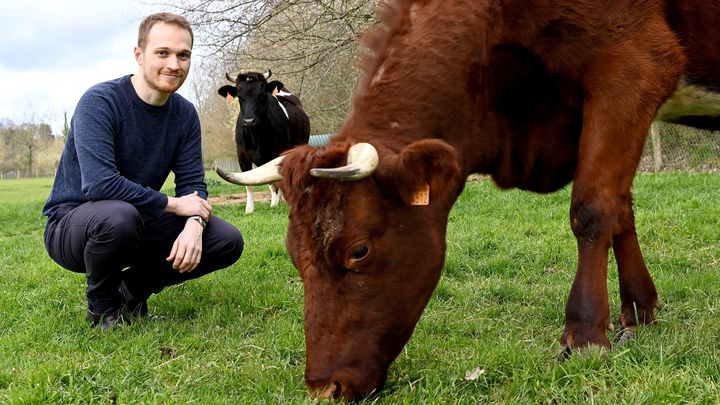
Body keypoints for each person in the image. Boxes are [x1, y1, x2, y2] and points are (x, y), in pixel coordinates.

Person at [42, 12, 244, 329]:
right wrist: (177, 205)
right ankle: (103, 310)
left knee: (225, 239)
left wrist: (194, 223)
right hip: (75, 224)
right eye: (162, 53)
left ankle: (131, 291)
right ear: (139, 55)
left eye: (183, 55)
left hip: (137, 217)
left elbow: (192, 182)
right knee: (119, 216)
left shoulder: (184, 115)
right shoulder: (101, 102)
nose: (174, 64)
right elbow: (99, 185)